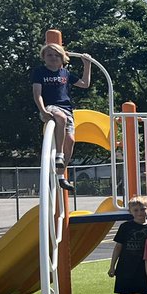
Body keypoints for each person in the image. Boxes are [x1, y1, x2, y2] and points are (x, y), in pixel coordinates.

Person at [30, 42, 93, 191]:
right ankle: (59, 154)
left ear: (62, 57)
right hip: (51, 107)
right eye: (49, 55)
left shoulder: (65, 73)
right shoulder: (40, 72)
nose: (53, 58)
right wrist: (43, 111)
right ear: (44, 57)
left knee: (70, 140)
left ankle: (60, 176)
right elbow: (37, 94)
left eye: (56, 55)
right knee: (61, 118)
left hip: (67, 109)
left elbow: (85, 84)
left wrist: (87, 65)